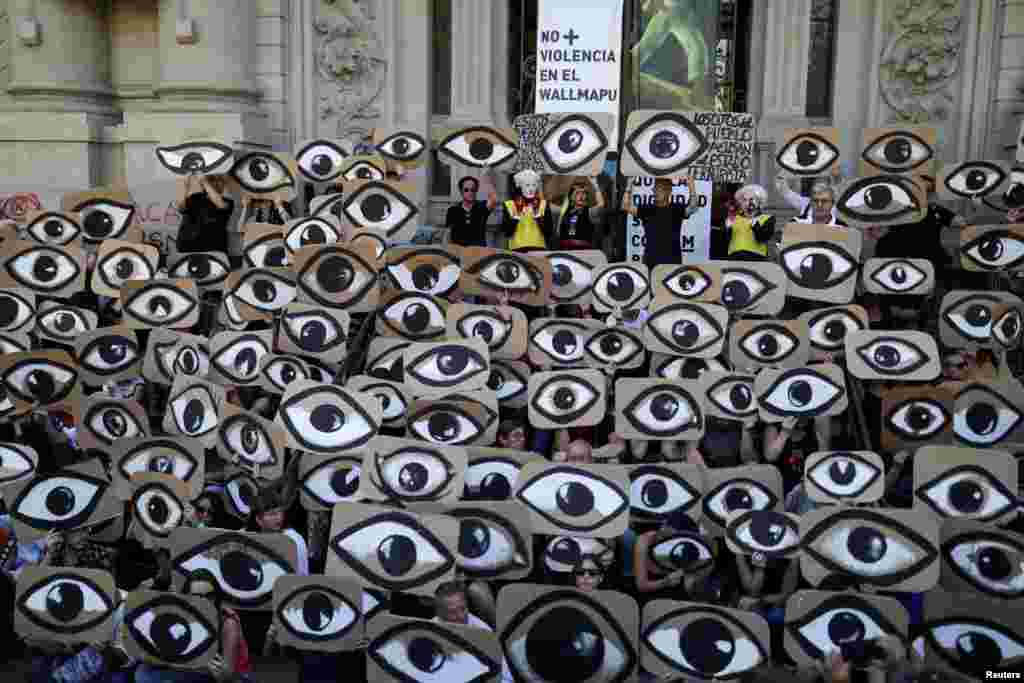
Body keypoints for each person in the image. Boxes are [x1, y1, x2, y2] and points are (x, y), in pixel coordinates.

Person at [433, 582, 513, 683]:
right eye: (453, 612)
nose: (461, 616)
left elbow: (505, 675)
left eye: (463, 609)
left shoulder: (483, 631)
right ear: (440, 614)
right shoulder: (426, 633)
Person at [621, 176, 699, 270]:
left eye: (660, 189)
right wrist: (629, 185)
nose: (656, 192)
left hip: (672, 260)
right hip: (650, 260)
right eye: (655, 189)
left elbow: (693, 207)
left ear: (668, 191)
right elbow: (625, 206)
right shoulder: (647, 209)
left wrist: (691, 185)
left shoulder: (676, 209)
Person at [176, 174, 235, 254]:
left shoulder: (228, 202)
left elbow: (221, 205)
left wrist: (204, 181)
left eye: (220, 180)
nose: (216, 183)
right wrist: (185, 185)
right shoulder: (194, 198)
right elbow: (181, 207)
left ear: (224, 184)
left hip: (214, 249)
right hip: (188, 247)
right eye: (212, 180)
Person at [719, 184, 776, 259]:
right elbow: (722, 241)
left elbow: (763, 238)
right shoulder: (733, 218)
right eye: (744, 200)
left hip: (756, 259)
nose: (747, 203)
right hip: (734, 259)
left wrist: (755, 225)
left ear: (759, 202)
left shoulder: (767, 218)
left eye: (751, 200)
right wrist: (727, 226)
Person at [502, 169, 553, 252]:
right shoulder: (509, 204)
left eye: (533, 185)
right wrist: (517, 214)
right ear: (520, 186)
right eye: (527, 185)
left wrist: (538, 215)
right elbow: (507, 232)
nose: (531, 189)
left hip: (538, 249)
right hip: (517, 249)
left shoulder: (543, 204)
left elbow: (548, 232)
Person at [446, 170, 498, 248]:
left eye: (473, 190)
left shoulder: (482, 207)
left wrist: (486, 179)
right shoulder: (453, 210)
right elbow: (448, 233)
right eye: (466, 190)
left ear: (476, 190)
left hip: (478, 251)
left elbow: (494, 199)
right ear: (461, 191)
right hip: (458, 251)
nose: (470, 192)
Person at [553, 176, 605, 250]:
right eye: (577, 193)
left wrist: (595, 185)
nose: (581, 196)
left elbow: (601, 204)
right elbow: (545, 205)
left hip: (582, 251)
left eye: (584, 193)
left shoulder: (589, 212)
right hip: (566, 251)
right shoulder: (563, 212)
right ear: (571, 196)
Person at [775, 176, 847, 226]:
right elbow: (786, 192)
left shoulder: (837, 209)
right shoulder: (805, 203)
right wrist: (782, 175)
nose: (819, 205)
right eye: (815, 201)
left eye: (824, 201)